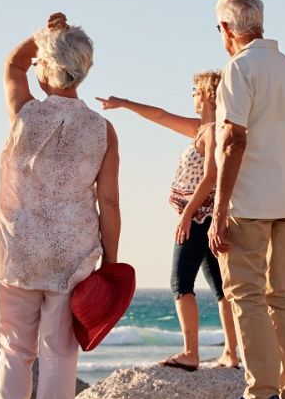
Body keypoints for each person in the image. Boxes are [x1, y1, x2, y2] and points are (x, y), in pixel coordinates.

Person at [0, 13, 120, 399]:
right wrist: (112, 263)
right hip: (72, 256)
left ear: (45, 67)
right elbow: (109, 202)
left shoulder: (25, 113)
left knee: (14, 350)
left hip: (18, 251)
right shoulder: (102, 130)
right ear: (83, 71)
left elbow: (12, 64)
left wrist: (41, 33)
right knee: (60, 353)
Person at [204, 0, 285, 399]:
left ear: (226, 29)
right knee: (281, 299)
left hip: (249, 202)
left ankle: (260, 398)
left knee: (246, 297)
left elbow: (234, 140)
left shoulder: (239, 68)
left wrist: (219, 209)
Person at [97, 74, 241, 371]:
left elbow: (211, 176)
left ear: (206, 95)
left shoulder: (211, 132)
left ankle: (190, 353)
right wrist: (124, 103)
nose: (192, 95)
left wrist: (187, 215)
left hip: (198, 219)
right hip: (206, 217)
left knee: (180, 283)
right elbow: (161, 116)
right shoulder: (203, 129)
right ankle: (230, 353)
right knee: (220, 287)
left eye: (195, 90)